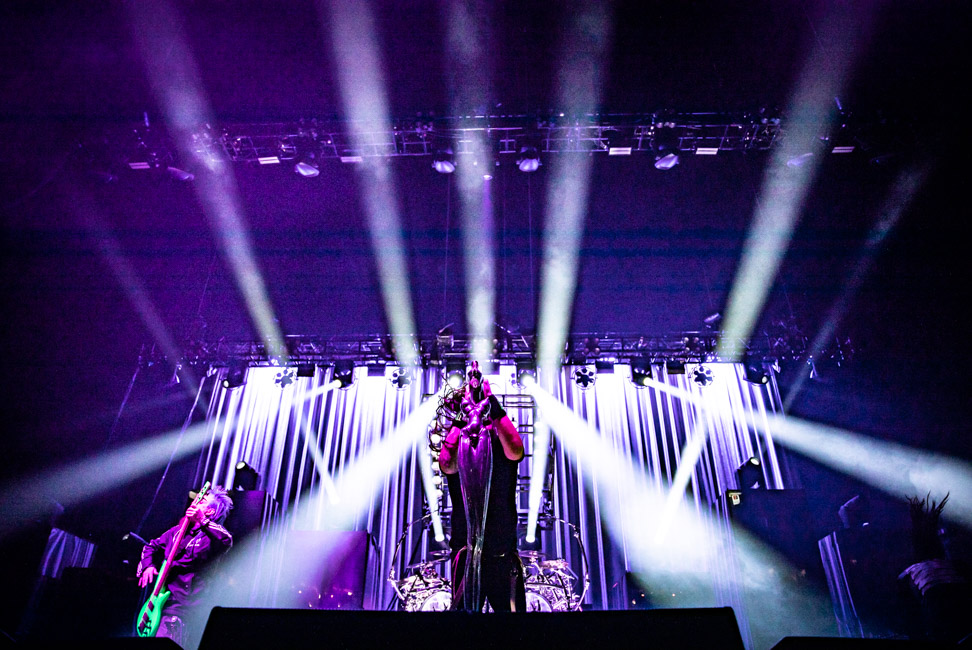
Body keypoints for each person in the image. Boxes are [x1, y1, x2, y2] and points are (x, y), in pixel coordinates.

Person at [439, 362, 526, 612]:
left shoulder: (500, 444)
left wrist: (492, 404)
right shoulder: (460, 443)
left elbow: (516, 449)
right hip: (467, 552)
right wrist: (462, 416)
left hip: (502, 551)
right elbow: (446, 463)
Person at [136, 485, 233, 645]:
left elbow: (226, 539)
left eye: (202, 501)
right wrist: (148, 566)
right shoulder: (177, 531)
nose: (195, 502)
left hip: (183, 607)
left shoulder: (212, 537)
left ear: (209, 511)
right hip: (159, 602)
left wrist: (202, 520)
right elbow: (151, 546)